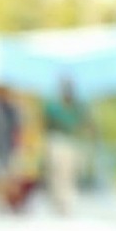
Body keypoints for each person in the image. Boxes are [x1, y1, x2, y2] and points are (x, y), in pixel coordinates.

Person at [42, 77, 91, 215]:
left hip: (72, 143)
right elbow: (46, 124)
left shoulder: (78, 107)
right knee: (56, 173)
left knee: (70, 173)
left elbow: (84, 124)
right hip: (57, 141)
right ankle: (57, 201)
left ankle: (67, 202)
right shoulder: (53, 106)